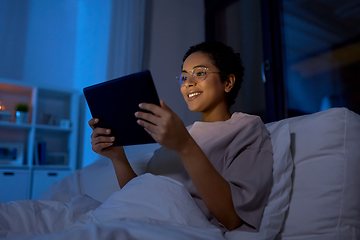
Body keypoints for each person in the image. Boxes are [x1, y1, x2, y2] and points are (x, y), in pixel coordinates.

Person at [89, 42, 273, 233]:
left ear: (227, 82)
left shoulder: (245, 127)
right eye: (184, 77)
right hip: (136, 221)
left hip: (175, 230)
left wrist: (184, 145)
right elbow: (140, 196)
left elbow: (233, 217)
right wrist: (118, 157)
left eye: (199, 73)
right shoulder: (176, 135)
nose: (188, 83)